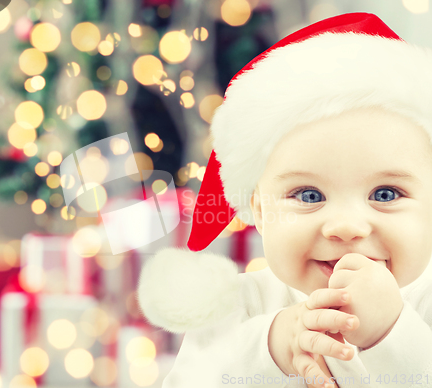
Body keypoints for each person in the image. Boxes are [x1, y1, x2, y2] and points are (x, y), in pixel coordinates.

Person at [137, 13, 432, 388]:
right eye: (309, 195)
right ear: (260, 210)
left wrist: (391, 334)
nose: (346, 226)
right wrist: (271, 348)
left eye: (386, 194)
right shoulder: (240, 306)